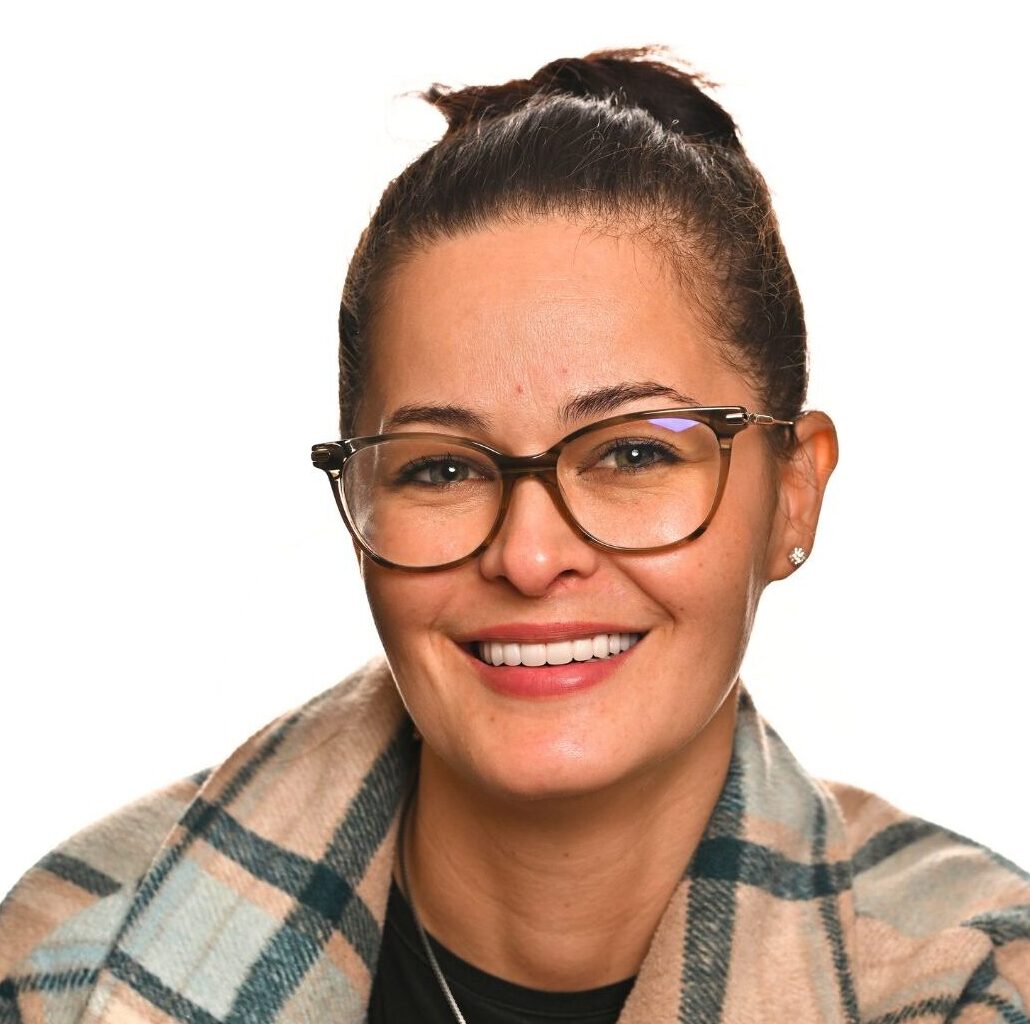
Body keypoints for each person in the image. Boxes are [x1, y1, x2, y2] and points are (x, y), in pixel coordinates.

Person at [1, 46, 1027, 1024]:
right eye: (441, 468)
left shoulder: (975, 984)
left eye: (632, 453)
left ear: (792, 493)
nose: (531, 558)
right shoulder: (65, 965)